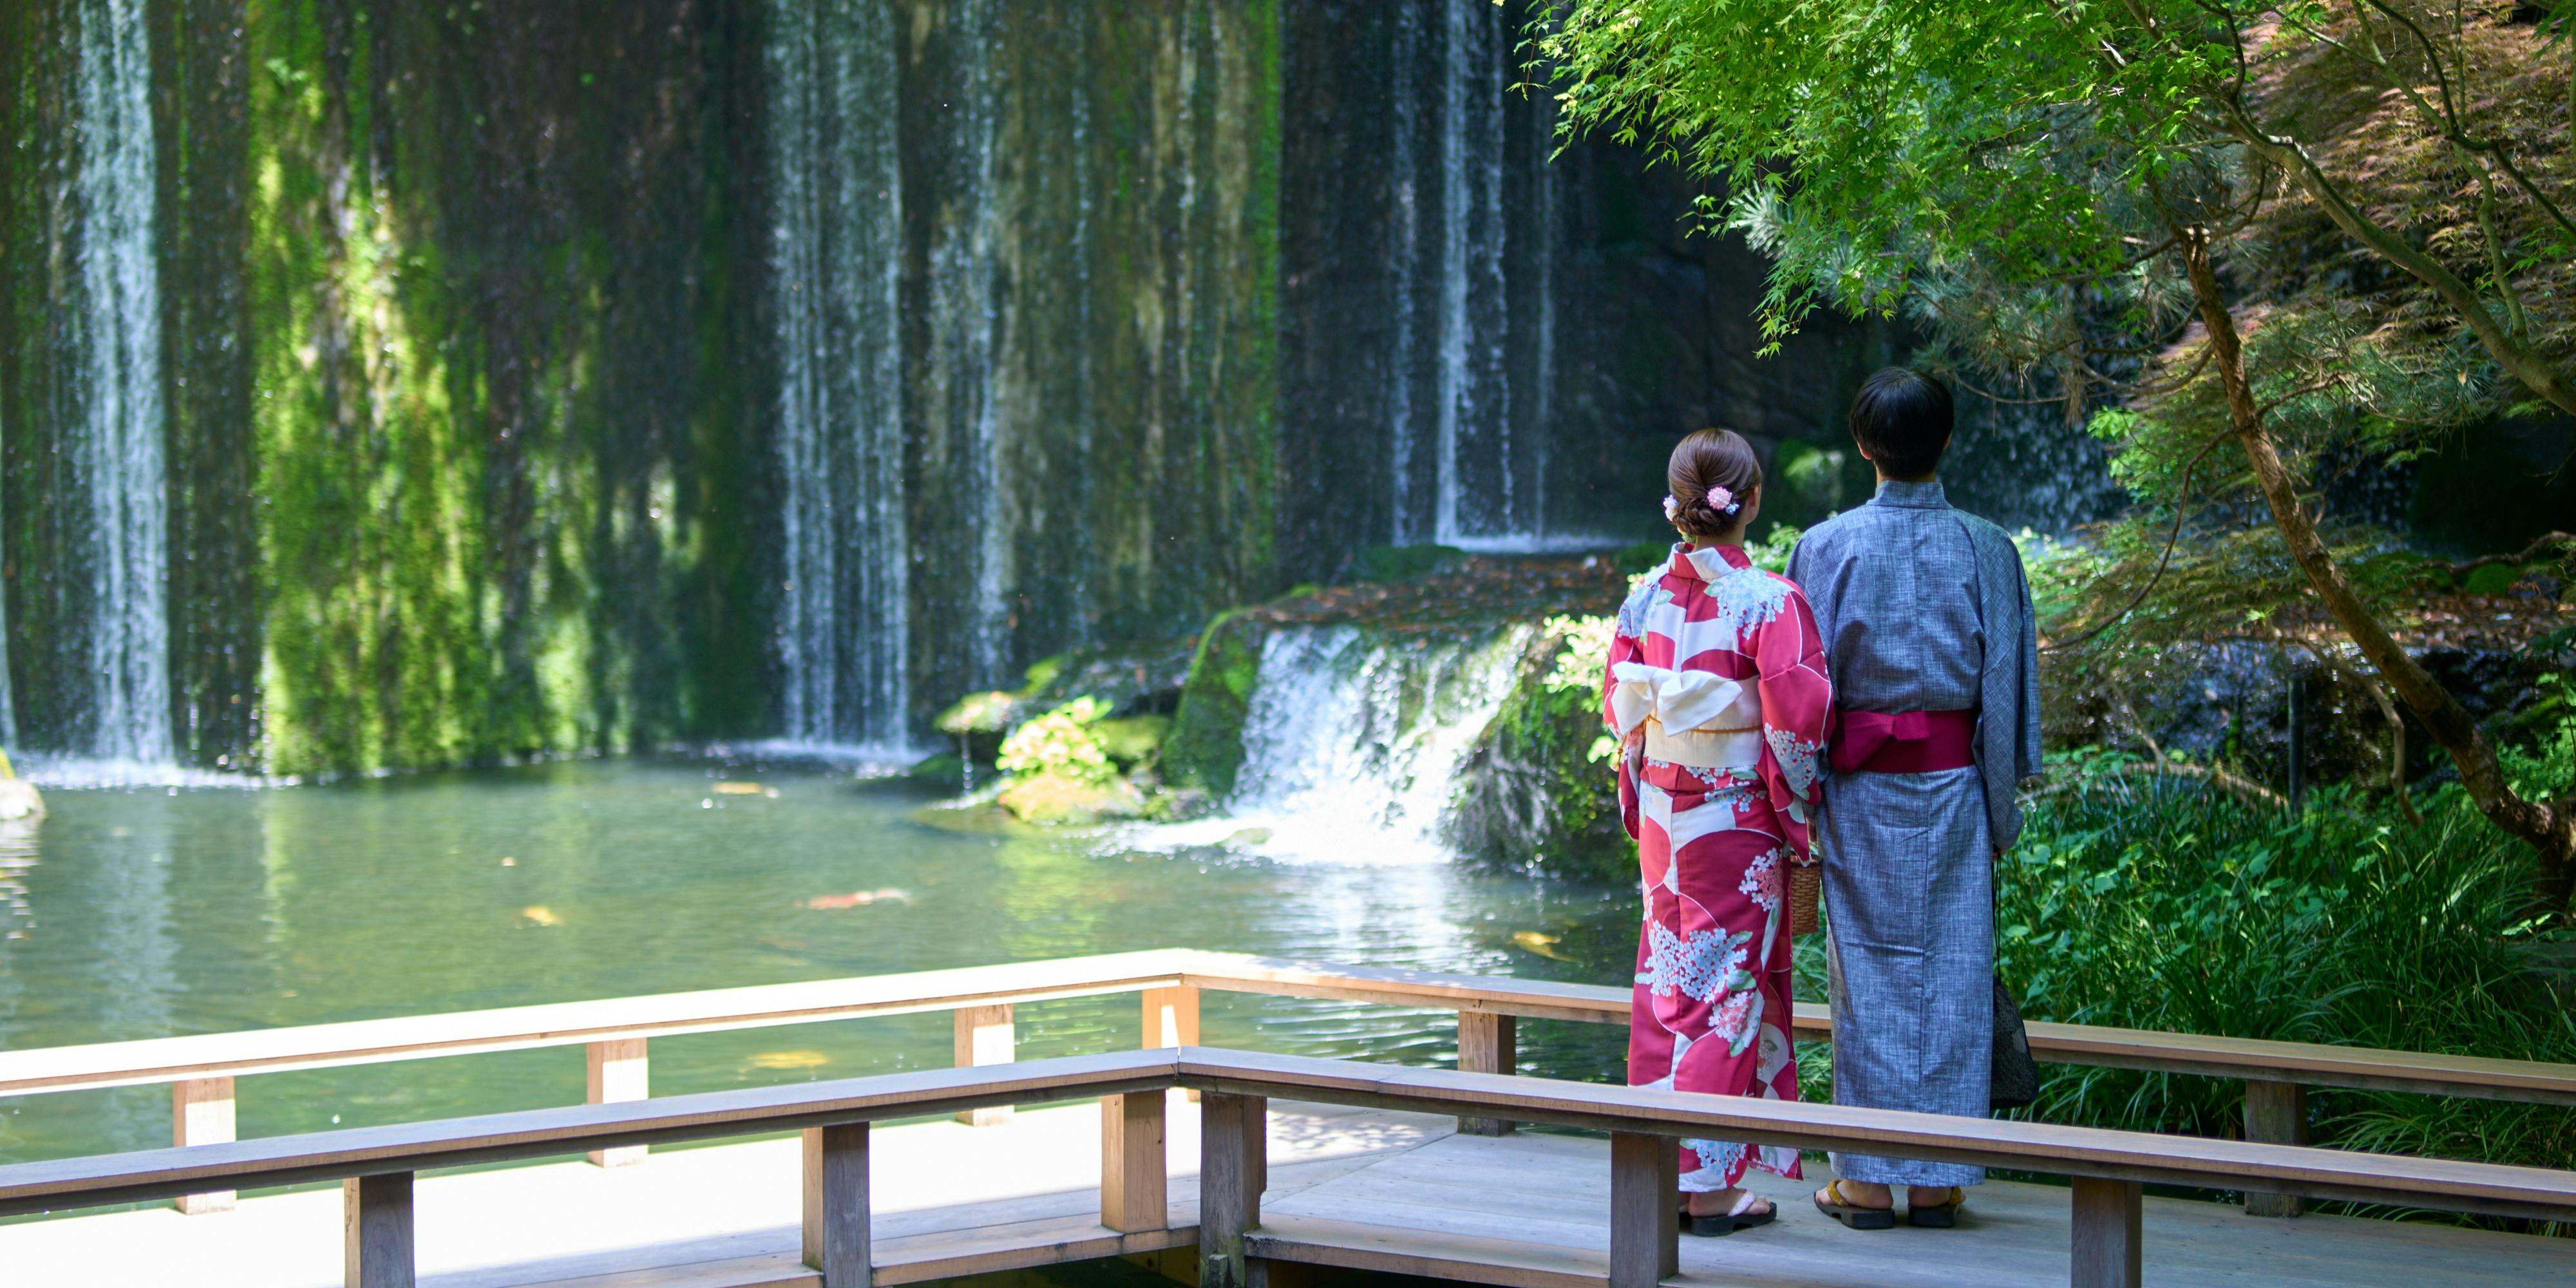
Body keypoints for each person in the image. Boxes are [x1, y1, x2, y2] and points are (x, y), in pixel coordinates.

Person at [1786, 368, 2041, 1231]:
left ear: (1863, 445)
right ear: (1948, 440)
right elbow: (2007, 687)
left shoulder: (1825, 548)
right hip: (1959, 787)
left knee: (1871, 979)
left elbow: (1801, 693)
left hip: (1861, 792)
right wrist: (2000, 801)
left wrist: (1800, 802)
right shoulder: (1988, 547)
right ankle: (1938, 1181)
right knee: (1955, 974)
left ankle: (1866, 1181)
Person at [1601, 428, 1832, 1236]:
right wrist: (1797, 817)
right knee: (1726, 986)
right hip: (1734, 820)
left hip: (1665, 814)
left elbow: (1622, 717)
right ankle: (1704, 1186)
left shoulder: (1642, 600)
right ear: (1753, 500)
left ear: (1676, 505)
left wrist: (1646, 801)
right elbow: (1796, 729)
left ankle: (1659, 1166)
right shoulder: (1770, 601)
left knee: (1666, 983)